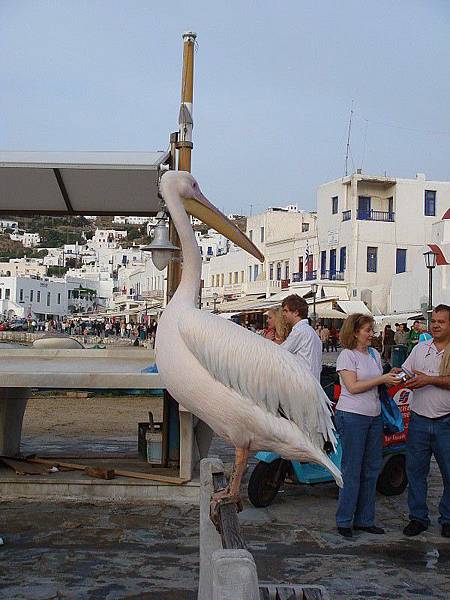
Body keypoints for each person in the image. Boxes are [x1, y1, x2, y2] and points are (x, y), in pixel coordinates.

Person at [334, 313, 399, 538]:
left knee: (371, 469)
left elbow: (375, 382)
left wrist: (390, 376)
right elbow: (352, 387)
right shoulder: (346, 356)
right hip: (352, 416)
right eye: (367, 330)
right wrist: (382, 379)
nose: (372, 334)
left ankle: (364, 519)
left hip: (374, 416)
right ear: (355, 332)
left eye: (372, 330)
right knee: (351, 469)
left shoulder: (373, 354)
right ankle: (344, 519)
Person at [399, 304, 450, 538]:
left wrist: (428, 380)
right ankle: (418, 517)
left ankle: (447, 518)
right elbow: (406, 371)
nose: (436, 325)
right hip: (419, 420)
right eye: (434, 321)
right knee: (415, 472)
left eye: (442, 321)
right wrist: (399, 377)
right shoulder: (420, 348)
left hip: (445, 422)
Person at [279, 294, 322, 381]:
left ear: (296, 312)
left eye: (286, 311)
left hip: (304, 384)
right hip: (312, 383)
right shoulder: (310, 331)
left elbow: (280, 353)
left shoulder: (300, 331)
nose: (283, 314)